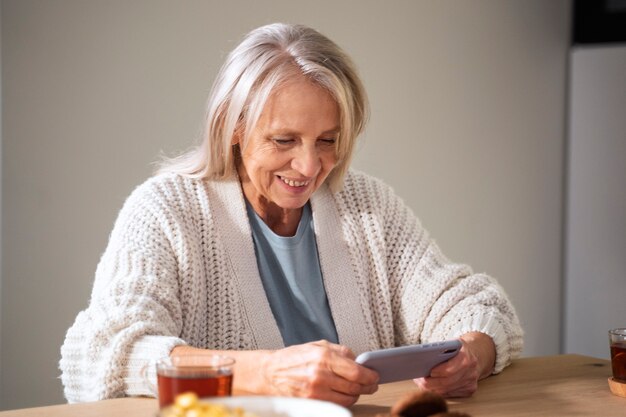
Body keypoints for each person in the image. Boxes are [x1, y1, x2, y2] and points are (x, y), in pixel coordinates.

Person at [59, 22, 523, 406]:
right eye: (284, 141)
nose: (308, 167)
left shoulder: (367, 205)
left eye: (327, 140)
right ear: (234, 126)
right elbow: (101, 357)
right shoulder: (165, 211)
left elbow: (474, 306)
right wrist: (267, 371)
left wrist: (471, 355)